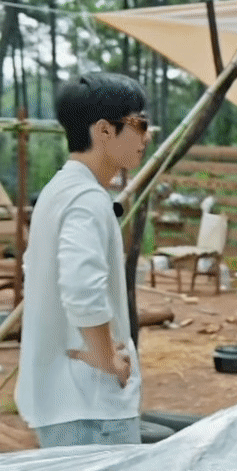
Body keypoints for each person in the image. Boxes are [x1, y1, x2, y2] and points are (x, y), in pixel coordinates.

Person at [14, 72, 151, 448]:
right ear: (105, 130)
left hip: (62, 399)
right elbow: (81, 287)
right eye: (140, 124)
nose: (146, 137)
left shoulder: (59, 190)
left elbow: (34, 269)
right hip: (90, 406)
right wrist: (107, 357)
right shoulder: (87, 200)